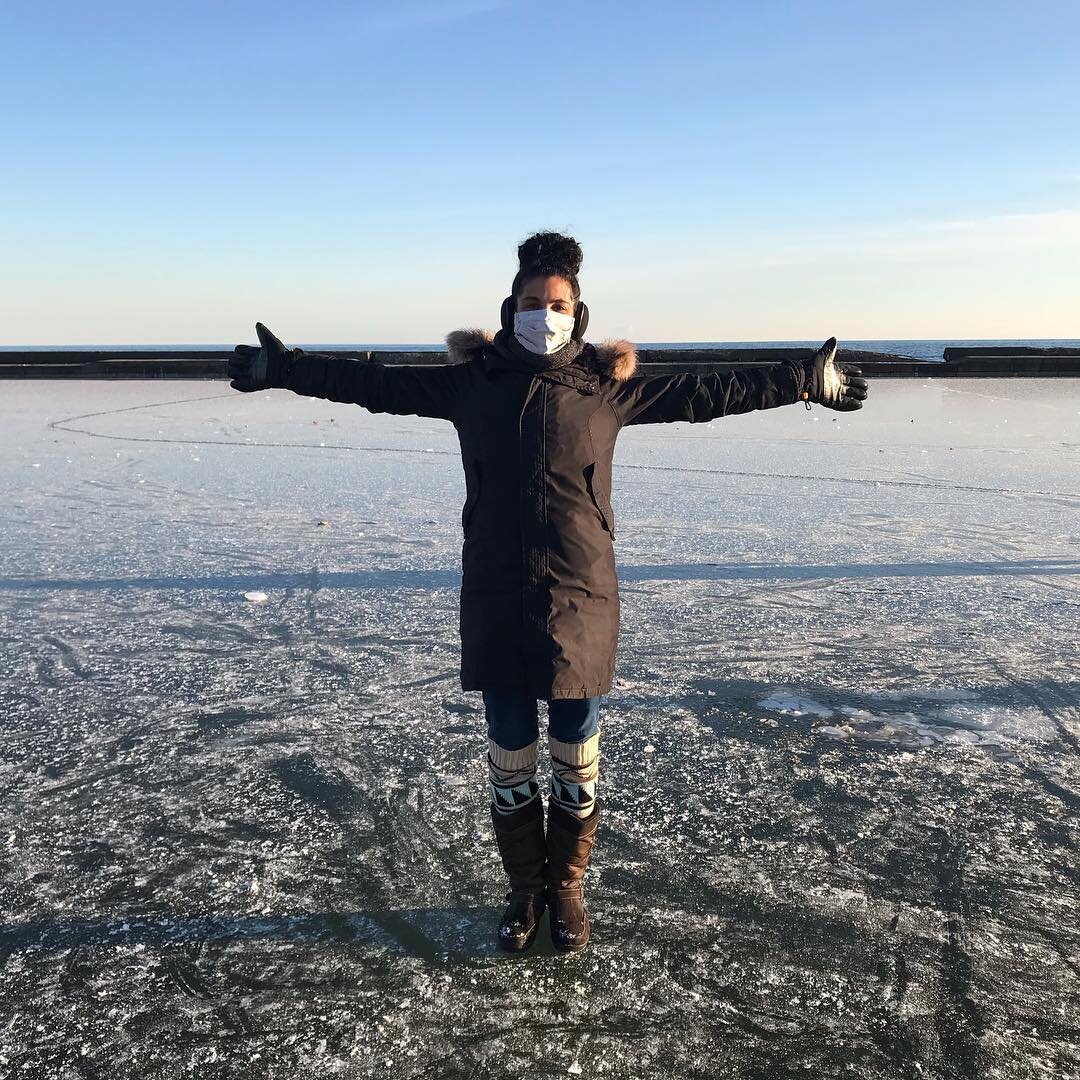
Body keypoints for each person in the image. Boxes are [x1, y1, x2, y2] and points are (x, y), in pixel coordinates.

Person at [227, 231, 869, 956]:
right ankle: (522, 892)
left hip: (580, 597)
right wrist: (289, 369)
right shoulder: (471, 384)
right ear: (512, 308)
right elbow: (376, 385)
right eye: (533, 303)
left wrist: (802, 381)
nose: (545, 313)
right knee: (510, 755)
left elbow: (707, 392)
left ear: (578, 312)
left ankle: (565, 889)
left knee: (575, 754)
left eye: (557, 304)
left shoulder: (606, 388)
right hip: (497, 593)